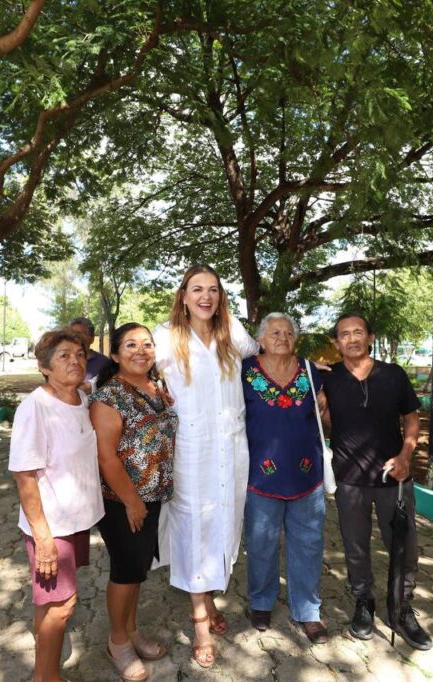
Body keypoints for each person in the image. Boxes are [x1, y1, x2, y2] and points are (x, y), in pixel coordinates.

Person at [153, 264, 259, 668]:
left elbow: (265, 355)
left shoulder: (232, 332)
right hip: (190, 452)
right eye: (197, 289)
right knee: (194, 526)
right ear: (184, 296)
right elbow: (134, 368)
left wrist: (309, 373)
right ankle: (200, 624)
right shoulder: (165, 337)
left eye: (213, 289)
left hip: (231, 449)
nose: (206, 296)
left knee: (222, 524)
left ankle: (209, 600)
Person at [321, 312, 432, 650]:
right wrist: (322, 410)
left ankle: (402, 608)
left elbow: (411, 418)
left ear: (370, 338)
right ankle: (363, 603)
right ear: (336, 343)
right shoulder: (328, 378)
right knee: (355, 547)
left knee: (404, 546)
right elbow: (325, 421)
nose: (352, 339)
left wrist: (406, 455)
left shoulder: (393, 374)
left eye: (358, 332)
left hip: (393, 477)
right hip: (350, 480)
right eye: (344, 334)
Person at [9, 329, 104, 682]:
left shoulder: (81, 398)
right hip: (51, 525)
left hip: (75, 519)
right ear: (44, 367)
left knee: (49, 602)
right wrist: (44, 539)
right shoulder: (35, 408)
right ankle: (46, 677)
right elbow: (24, 476)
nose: (75, 361)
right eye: (63, 356)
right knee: (63, 606)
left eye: (79, 354)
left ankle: (45, 671)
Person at [90, 323, 176, 681]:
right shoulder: (109, 396)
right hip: (121, 501)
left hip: (152, 497)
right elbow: (105, 457)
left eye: (147, 344)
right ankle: (117, 642)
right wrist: (132, 501)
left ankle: (132, 630)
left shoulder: (157, 388)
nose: (141, 351)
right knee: (125, 572)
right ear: (114, 354)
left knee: (138, 570)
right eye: (130, 345)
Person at [241, 312, 328, 644]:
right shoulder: (244, 371)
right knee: (261, 543)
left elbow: (323, 410)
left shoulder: (309, 370)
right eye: (275, 332)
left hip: (307, 474)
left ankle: (308, 611)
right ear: (260, 339)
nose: (282, 337)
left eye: (289, 333)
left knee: (308, 544)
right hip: (259, 475)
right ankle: (261, 601)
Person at [70, 317, 110, 385]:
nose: (75, 338)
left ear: (92, 338)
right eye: (71, 334)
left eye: (79, 334)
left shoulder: (105, 363)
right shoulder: (61, 360)